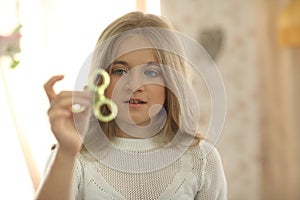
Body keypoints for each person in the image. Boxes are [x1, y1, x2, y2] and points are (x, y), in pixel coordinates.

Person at [35, 11, 227, 200]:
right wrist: (67, 152)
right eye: (119, 70)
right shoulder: (72, 156)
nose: (134, 85)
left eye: (151, 72)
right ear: (101, 81)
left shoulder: (201, 159)